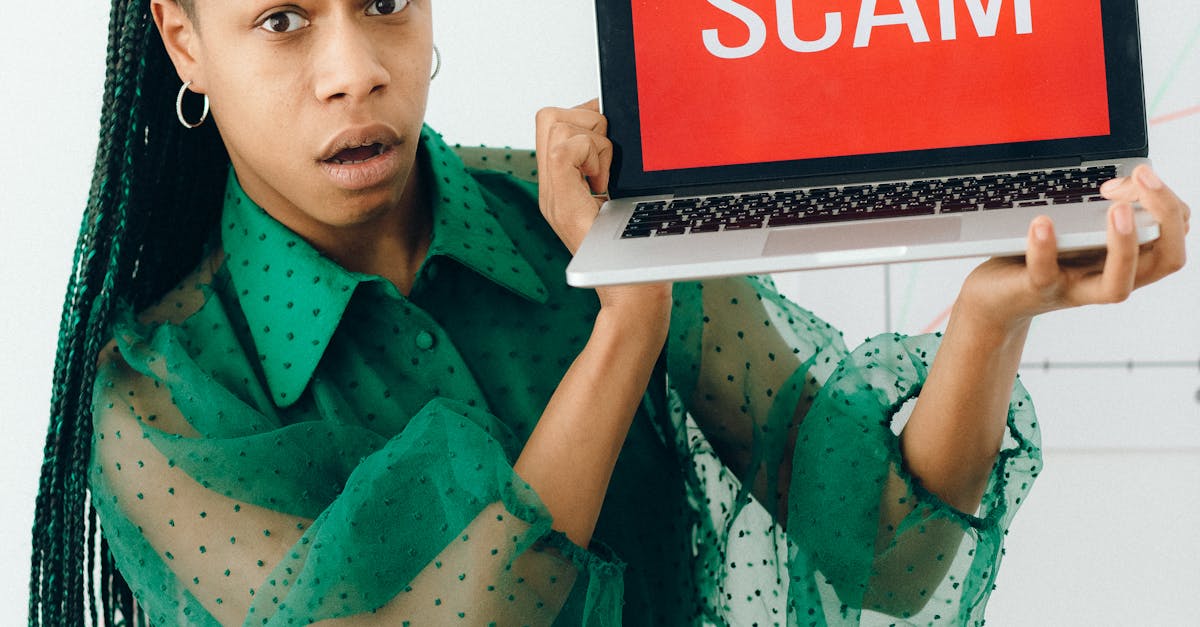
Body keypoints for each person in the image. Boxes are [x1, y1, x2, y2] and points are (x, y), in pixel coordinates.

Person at [28, 0, 1190, 625]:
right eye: (282, 19)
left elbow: (889, 549)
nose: (355, 68)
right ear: (184, 37)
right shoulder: (164, 396)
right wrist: (625, 323)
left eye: (384, 2)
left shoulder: (574, 221)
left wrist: (993, 312)